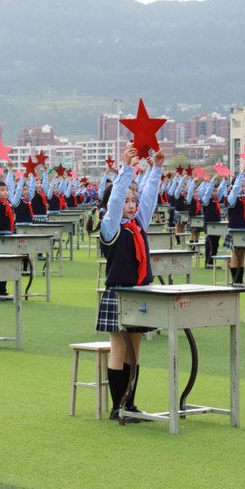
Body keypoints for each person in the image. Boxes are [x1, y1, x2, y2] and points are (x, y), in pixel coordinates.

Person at [98, 145, 164, 423]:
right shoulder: (110, 227)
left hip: (140, 293)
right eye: (127, 200)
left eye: (132, 200)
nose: (132, 204)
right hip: (118, 294)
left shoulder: (138, 225)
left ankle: (131, 403)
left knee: (135, 351)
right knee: (119, 349)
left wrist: (156, 170)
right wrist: (126, 171)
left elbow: (148, 199)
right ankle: (117, 407)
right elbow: (114, 205)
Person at [0, 158, 18, 297]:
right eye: (2, 190)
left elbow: (11, 187)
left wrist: (10, 170)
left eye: (6, 190)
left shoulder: (9, 202)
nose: (5, 192)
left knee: (6, 263)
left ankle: (2, 289)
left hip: (8, 235)